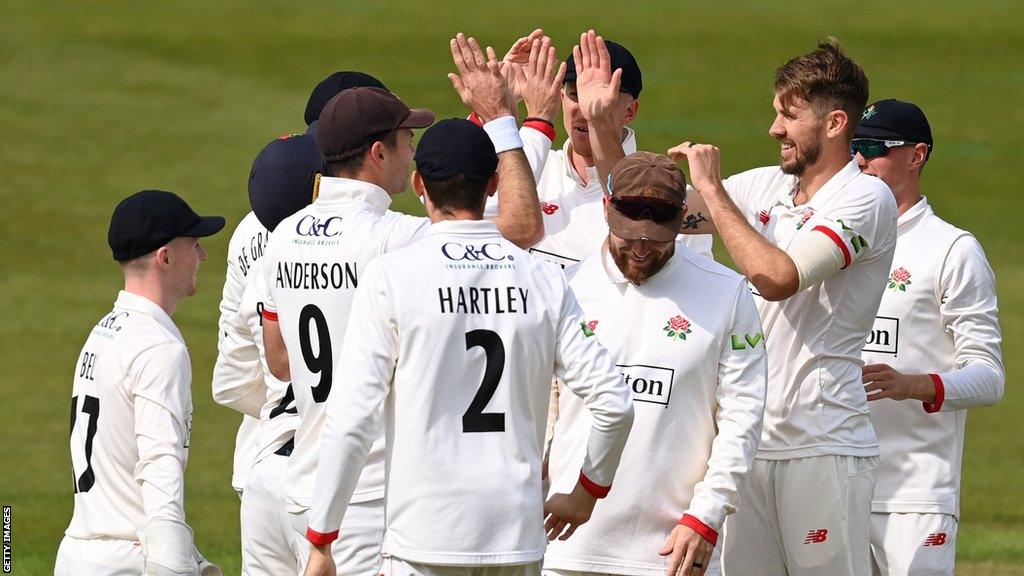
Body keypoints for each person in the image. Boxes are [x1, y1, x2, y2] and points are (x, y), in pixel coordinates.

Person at [261, 34, 545, 575]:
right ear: (377, 153)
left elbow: (278, 356)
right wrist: (504, 120)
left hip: (305, 483)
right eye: (406, 139)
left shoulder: (285, 234)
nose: (414, 150)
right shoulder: (391, 238)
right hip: (364, 499)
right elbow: (521, 228)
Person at [303, 118, 635, 576]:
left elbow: (354, 418)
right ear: (494, 183)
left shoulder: (392, 276)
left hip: (425, 536)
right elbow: (615, 404)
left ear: (420, 185)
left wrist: (322, 537)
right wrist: (588, 490)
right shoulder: (541, 278)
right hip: (515, 536)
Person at [664, 39, 897, 575]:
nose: (774, 129)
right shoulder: (769, 185)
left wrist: (712, 188)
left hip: (823, 445)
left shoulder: (865, 198)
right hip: (751, 445)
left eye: (788, 116)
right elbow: (657, 214)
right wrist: (606, 128)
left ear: (835, 123)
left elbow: (775, 278)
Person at [542, 151, 767, 576]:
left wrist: (706, 515)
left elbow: (743, 417)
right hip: (567, 547)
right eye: (629, 234)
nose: (642, 249)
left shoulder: (728, 292)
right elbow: (543, 405)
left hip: (672, 552)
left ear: (683, 217)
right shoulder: (566, 288)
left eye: (657, 237)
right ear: (607, 208)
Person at [211, 70, 386, 575]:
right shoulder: (372, 235)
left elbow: (233, 378)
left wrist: (287, 407)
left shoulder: (254, 229)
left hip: (266, 466)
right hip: (347, 485)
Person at [852, 99, 1005, 576]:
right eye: (855, 146)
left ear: (916, 156)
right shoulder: (832, 240)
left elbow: (989, 377)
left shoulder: (952, 250)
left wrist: (915, 385)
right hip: (834, 484)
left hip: (915, 494)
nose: (860, 159)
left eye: (875, 147)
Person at [56, 190, 224, 576]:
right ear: (165, 257)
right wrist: (174, 565)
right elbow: (159, 465)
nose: (203, 257)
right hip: (128, 562)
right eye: (194, 245)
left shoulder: (102, 332)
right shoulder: (159, 348)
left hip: (78, 555)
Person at [487, 29, 714, 268]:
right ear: (561, 98)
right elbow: (461, 220)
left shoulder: (668, 197)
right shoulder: (531, 169)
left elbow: (698, 290)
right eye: (575, 95)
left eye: (600, 97)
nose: (585, 109)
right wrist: (496, 109)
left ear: (630, 111)